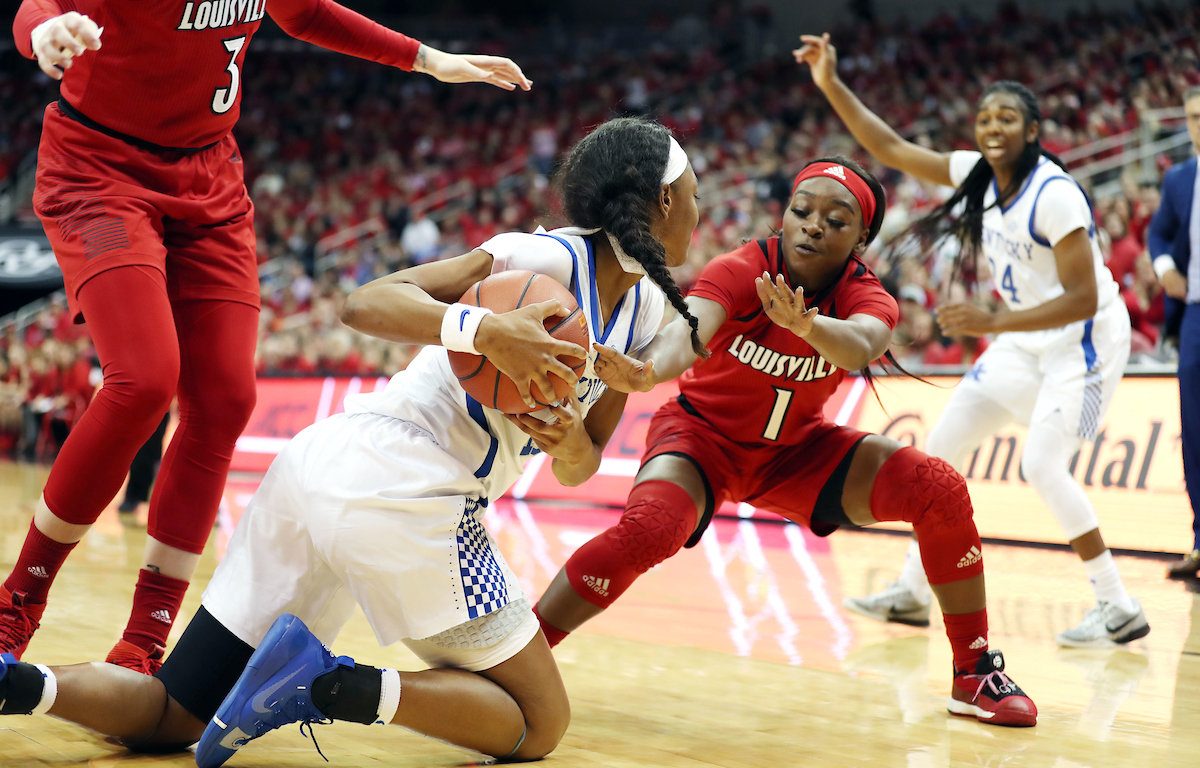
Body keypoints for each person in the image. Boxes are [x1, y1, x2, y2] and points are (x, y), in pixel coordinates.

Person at [0, 117, 700, 767]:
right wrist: (482, 330)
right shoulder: (538, 256)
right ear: (664, 200)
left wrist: (566, 432)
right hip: (411, 484)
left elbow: (581, 467)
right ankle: (329, 683)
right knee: (538, 723)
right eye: (693, 195)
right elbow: (364, 303)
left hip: (325, 470)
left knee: (173, 715)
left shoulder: (642, 315)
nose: (699, 212)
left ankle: (19, 685)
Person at [5, 0, 533, 673]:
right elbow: (39, 4)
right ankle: (17, 601)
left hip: (209, 184)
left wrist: (428, 59)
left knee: (225, 399)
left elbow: (306, 13)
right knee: (143, 379)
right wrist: (43, 31)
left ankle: (144, 637)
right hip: (99, 177)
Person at [533, 154, 1038, 726]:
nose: (813, 225)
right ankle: (517, 657)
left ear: (861, 238)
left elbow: (861, 346)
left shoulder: (866, 293)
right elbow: (686, 333)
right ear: (786, 215)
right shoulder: (741, 267)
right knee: (650, 529)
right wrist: (648, 373)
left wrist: (807, 326)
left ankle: (974, 674)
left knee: (937, 487)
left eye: (836, 219)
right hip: (702, 439)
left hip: (798, 455)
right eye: (802, 211)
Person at [792, 34, 1146, 648]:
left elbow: (1084, 300)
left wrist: (993, 323)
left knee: (1041, 463)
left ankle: (1117, 606)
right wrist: (829, 81)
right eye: (985, 117)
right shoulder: (978, 175)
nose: (993, 126)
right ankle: (909, 592)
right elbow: (889, 147)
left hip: (1083, 341)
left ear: (1033, 130)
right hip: (1023, 336)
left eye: (1007, 117)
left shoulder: (1055, 195)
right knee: (944, 444)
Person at [1147, 86, 1200, 579]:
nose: (1198, 124)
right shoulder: (1181, 178)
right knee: (1196, 433)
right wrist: (1165, 267)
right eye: (1193, 116)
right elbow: (1158, 233)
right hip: (1196, 318)